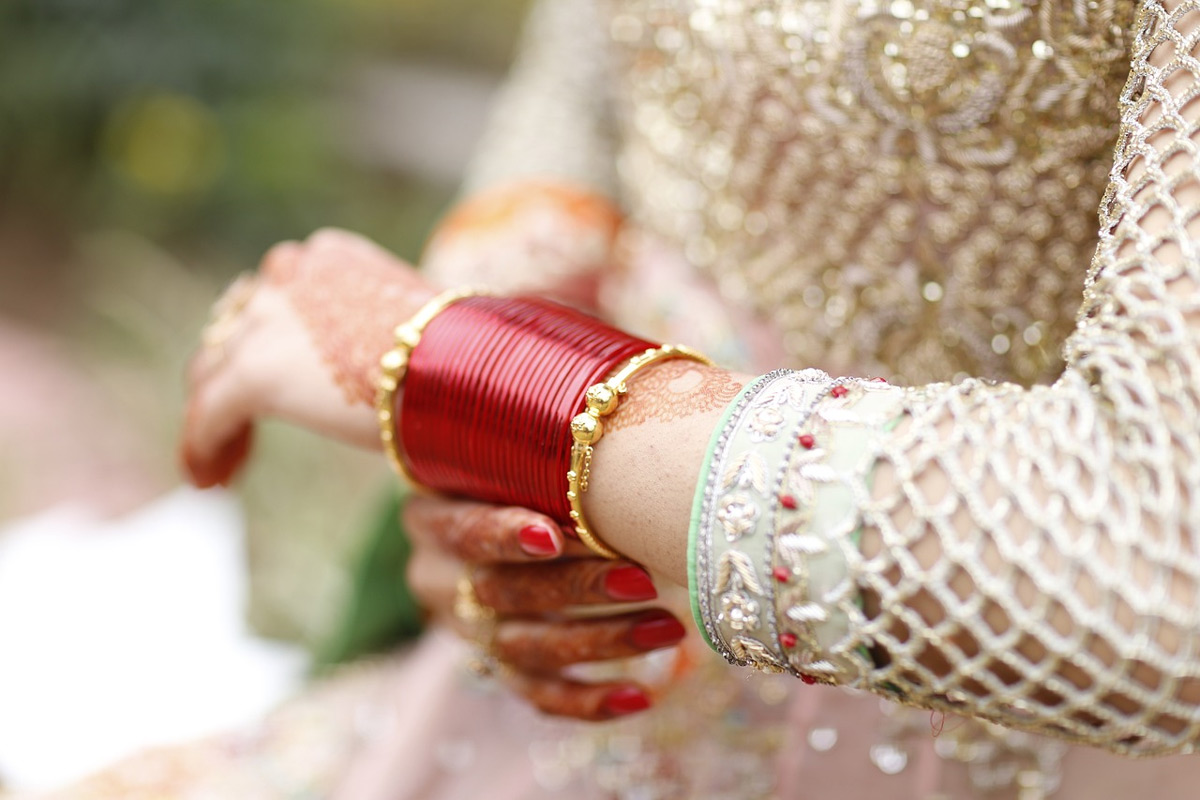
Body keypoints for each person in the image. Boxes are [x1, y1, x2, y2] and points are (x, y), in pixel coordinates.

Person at [51, 0, 1200, 797]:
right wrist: (477, 481)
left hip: (975, 731)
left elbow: (1153, 567)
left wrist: (483, 380)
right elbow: (590, 73)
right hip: (581, 678)